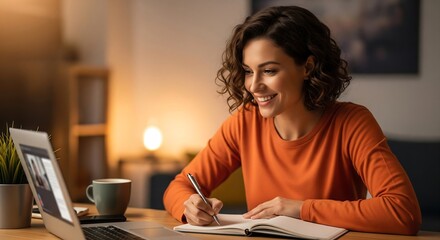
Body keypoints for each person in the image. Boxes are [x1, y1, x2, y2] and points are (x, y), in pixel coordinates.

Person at [163, 6, 421, 235]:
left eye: (269, 70)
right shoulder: (245, 123)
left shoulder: (352, 122)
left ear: (308, 67)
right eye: (248, 71)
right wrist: (191, 207)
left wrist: (301, 209)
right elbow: (180, 186)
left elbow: (403, 211)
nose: (254, 85)